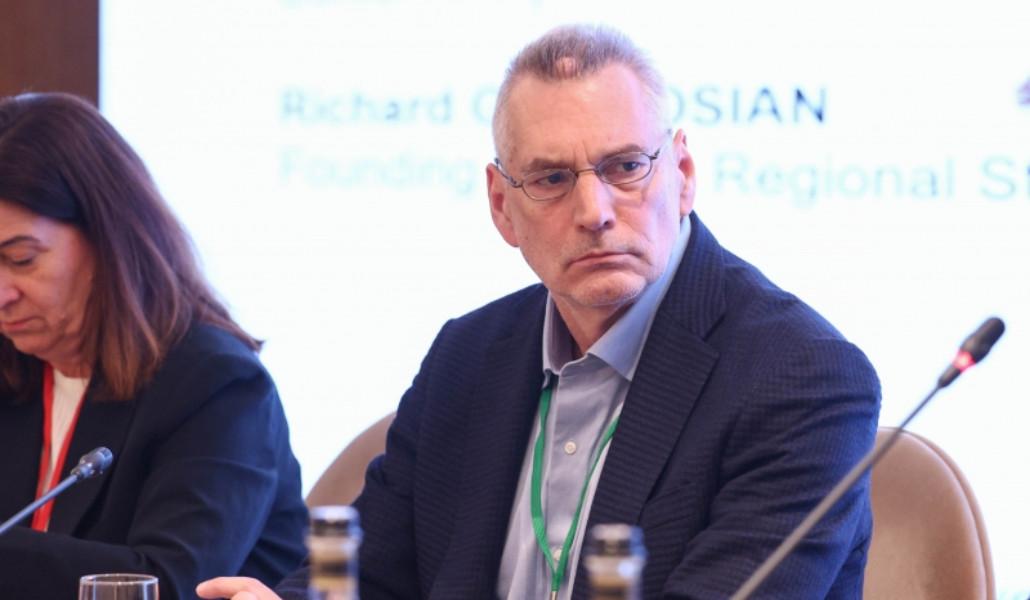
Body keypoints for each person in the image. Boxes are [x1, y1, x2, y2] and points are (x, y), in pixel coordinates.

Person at [199, 24, 880, 600]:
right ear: (502, 206)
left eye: (625, 167)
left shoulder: (803, 378)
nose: (594, 211)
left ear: (683, 174)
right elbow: (368, 578)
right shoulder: (468, 357)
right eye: (552, 179)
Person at [0, 93, 307, 599]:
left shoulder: (217, 383)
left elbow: (170, 582)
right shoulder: (13, 364)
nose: (3, 294)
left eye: (22, 260)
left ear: (107, 239)